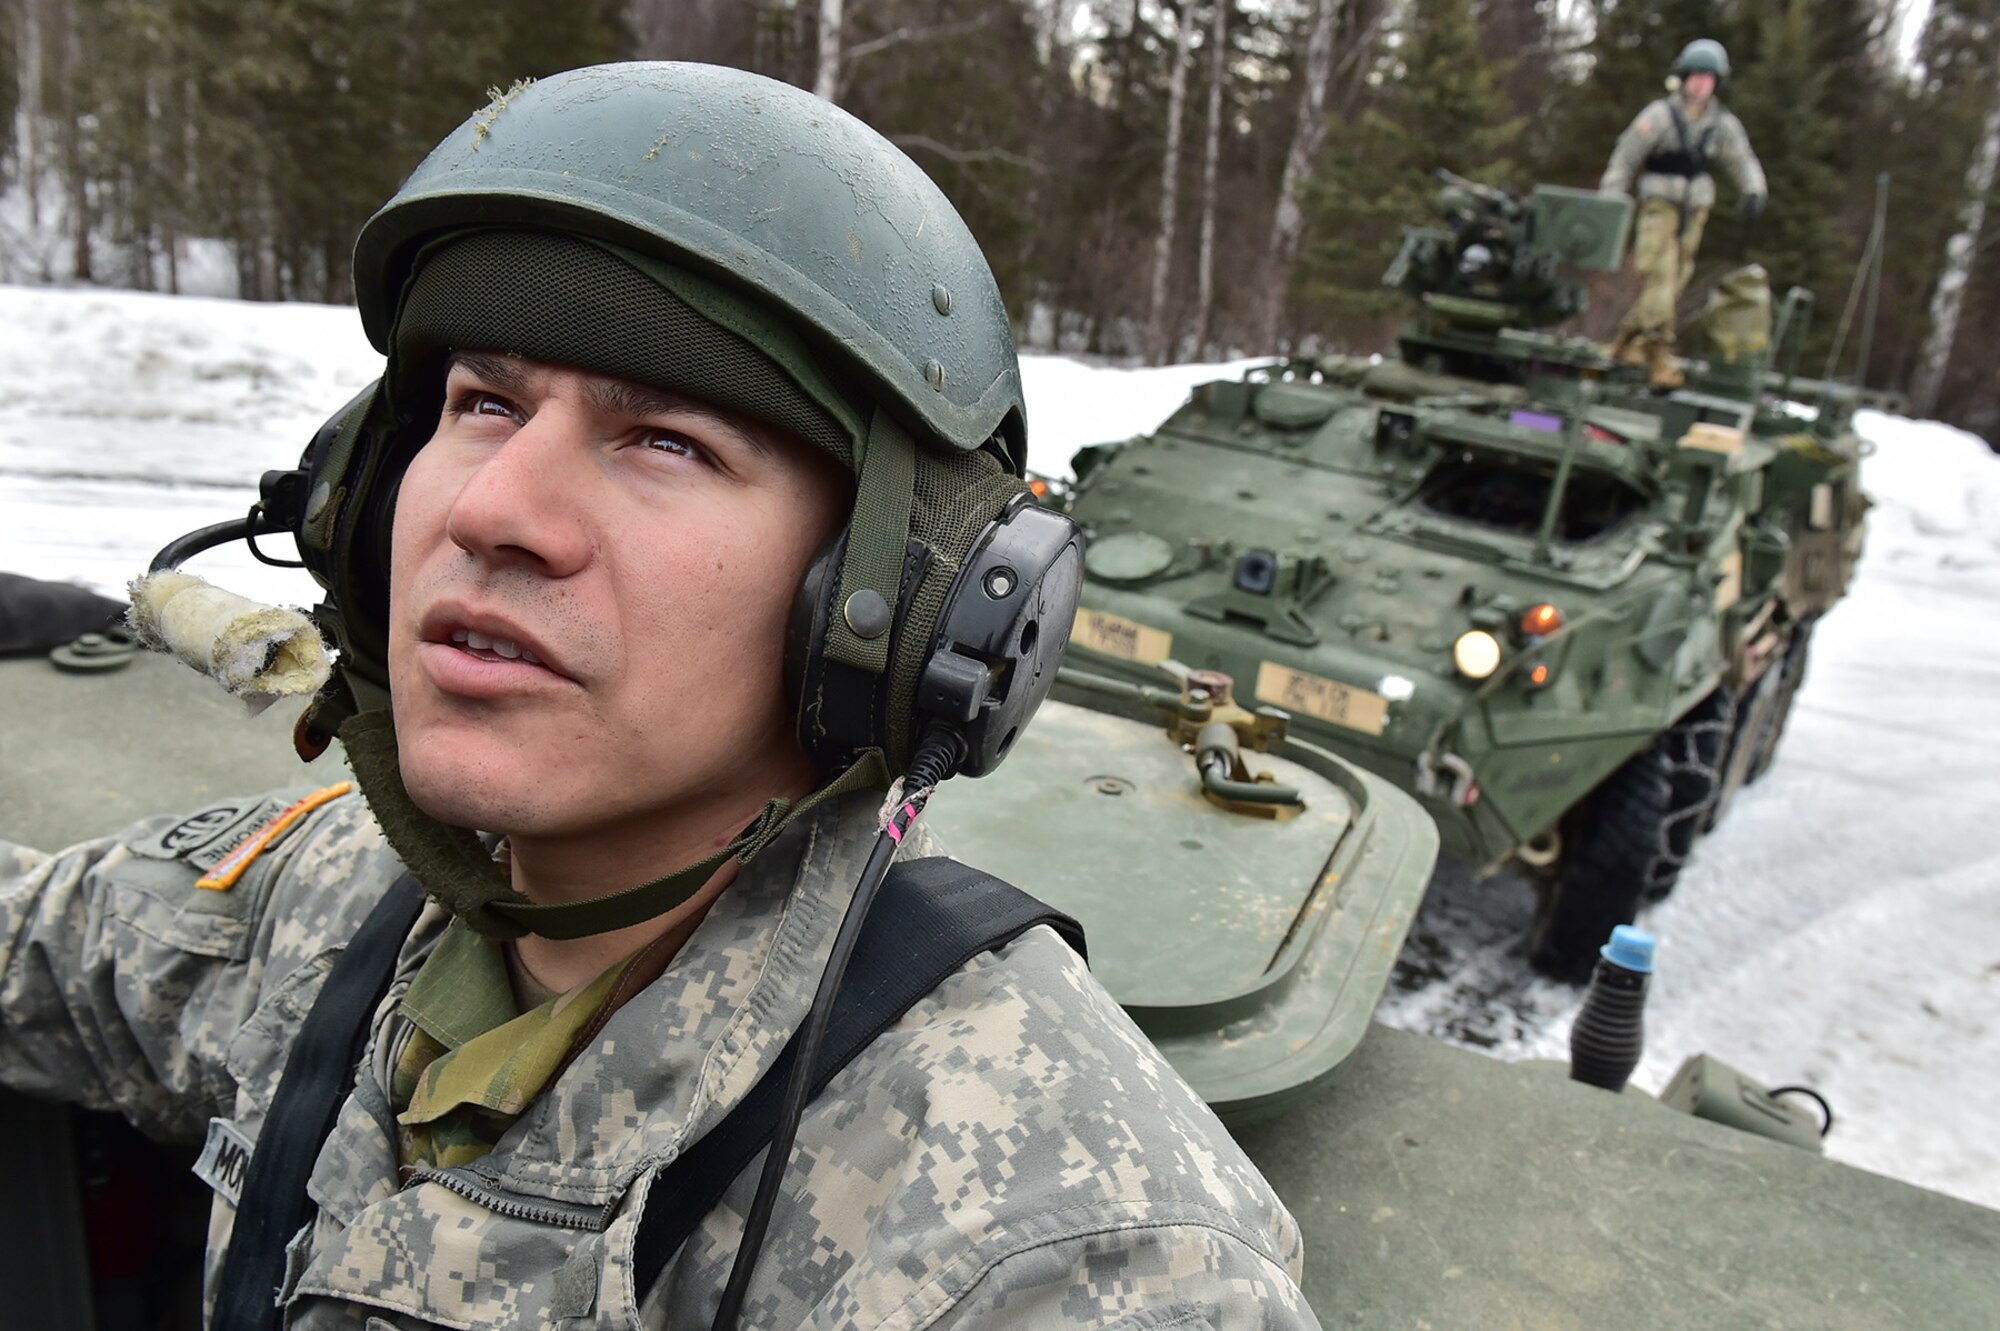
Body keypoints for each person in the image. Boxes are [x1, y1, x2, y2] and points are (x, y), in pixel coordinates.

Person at [0, 64, 1315, 1329]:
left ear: (902, 610)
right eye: (483, 402)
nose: (495, 507)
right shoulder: (324, 899)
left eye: (667, 441)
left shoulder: (1051, 1243)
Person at [1600, 38, 1768, 390]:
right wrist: (1611, 196)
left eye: (1709, 78)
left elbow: (1741, 158)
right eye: (1696, 76)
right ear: (1683, 76)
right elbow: (1625, 156)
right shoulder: (1660, 116)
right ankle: (1659, 353)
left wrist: (1753, 190)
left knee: (1676, 280)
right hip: (1659, 207)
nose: (1701, 83)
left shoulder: (1720, 123)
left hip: (1695, 209)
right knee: (1659, 275)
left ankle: (1626, 342)